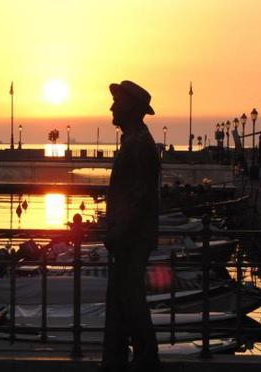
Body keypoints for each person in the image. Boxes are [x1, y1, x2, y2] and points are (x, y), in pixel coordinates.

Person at [101, 80, 160, 372]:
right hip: (130, 235)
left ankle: (145, 359)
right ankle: (121, 359)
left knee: (130, 299)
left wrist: (119, 231)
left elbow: (140, 196)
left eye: (118, 102)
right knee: (123, 298)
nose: (112, 106)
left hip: (131, 238)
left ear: (133, 108)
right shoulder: (135, 141)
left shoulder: (138, 145)